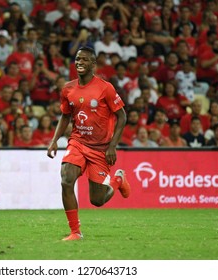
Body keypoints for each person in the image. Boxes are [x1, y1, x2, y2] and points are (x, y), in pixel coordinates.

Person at [47, 47, 131, 241]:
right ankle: (75, 232)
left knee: (97, 200)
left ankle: (117, 180)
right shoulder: (68, 88)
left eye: (85, 60)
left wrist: (112, 146)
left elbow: (122, 117)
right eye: (77, 59)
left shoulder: (105, 88)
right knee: (66, 180)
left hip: (101, 148)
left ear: (93, 64)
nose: (80, 63)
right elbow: (65, 116)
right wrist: (53, 140)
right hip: (77, 142)